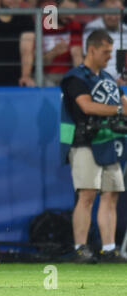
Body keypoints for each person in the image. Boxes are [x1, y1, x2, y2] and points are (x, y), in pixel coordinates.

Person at [60, 29, 127, 263]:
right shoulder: (75, 78)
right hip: (84, 142)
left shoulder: (108, 79)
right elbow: (86, 106)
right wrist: (120, 109)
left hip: (109, 142)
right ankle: (80, 247)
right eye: (106, 52)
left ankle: (109, 249)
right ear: (92, 49)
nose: (110, 57)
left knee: (111, 195)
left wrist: (123, 104)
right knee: (87, 194)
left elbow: (123, 100)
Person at [82, 0, 127, 85]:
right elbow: (89, 60)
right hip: (99, 81)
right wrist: (109, 81)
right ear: (102, 11)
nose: (113, 17)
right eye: (109, 13)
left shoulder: (125, 30)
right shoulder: (91, 28)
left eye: (116, 13)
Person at [42, 0, 83, 87]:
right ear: (56, 7)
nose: (70, 16)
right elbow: (36, 62)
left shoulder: (75, 26)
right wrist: (53, 53)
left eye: (73, 12)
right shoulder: (43, 25)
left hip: (68, 74)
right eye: (66, 10)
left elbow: (77, 56)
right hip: (45, 75)